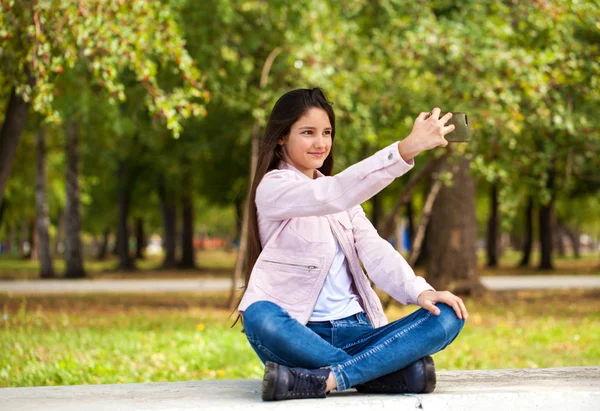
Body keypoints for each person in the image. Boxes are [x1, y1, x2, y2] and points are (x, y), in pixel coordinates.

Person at [238, 88, 468, 401]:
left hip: (358, 332)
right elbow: (331, 194)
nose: (320, 143)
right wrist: (404, 150)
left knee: (449, 314)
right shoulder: (274, 188)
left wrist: (420, 291)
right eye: (308, 132)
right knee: (258, 314)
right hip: (299, 334)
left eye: (327, 132)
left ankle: (323, 379)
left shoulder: (342, 196)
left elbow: (374, 250)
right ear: (281, 136)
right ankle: (378, 373)